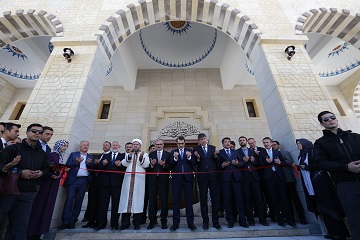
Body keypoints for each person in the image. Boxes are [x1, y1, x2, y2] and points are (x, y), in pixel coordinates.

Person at [314, 110, 360, 239]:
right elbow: (321, 163)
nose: (330, 120)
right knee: (355, 219)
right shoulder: (321, 143)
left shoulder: (355, 137)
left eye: (332, 118)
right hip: (346, 184)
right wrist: (346, 167)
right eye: (326, 119)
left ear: (336, 119)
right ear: (322, 124)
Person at [0, 123, 50, 240]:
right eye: (34, 131)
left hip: (28, 193)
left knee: (20, 226)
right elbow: (2, 166)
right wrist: (19, 171)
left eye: (40, 132)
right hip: (8, 191)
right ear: (27, 132)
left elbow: (47, 170)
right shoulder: (13, 148)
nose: (37, 133)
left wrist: (41, 173)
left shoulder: (42, 154)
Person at [297, 138, 349, 239]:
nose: (298, 145)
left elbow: (320, 164)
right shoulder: (302, 154)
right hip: (311, 185)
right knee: (322, 209)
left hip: (320, 183)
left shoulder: (312, 151)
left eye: (299, 143)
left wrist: (307, 167)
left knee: (330, 206)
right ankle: (332, 231)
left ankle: (341, 233)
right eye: (297, 144)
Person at [27, 140, 69, 240]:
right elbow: (47, 168)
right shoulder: (52, 155)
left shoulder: (59, 156)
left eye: (66, 146)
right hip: (46, 184)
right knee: (40, 206)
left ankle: (39, 231)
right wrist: (52, 174)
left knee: (47, 207)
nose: (65, 148)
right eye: (64, 146)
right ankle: (31, 232)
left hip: (53, 185)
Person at [58, 141, 94, 230]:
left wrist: (90, 164)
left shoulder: (90, 157)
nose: (86, 146)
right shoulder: (74, 154)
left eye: (87, 145)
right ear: (80, 146)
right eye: (84, 145)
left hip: (84, 181)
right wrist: (76, 162)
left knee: (79, 201)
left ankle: (73, 221)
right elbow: (68, 165)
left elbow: (92, 168)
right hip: (73, 180)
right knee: (69, 200)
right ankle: (65, 221)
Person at [259, 137, 295, 227]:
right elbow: (259, 164)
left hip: (279, 177)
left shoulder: (277, 152)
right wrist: (266, 162)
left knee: (284, 198)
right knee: (273, 199)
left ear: (271, 143)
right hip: (269, 178)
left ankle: (289, 219)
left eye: (267, 142)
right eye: (264, 143)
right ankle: (279, 219)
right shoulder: (262, 153)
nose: (265, 144)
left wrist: (280, 162)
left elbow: (284, 162)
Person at [272, 140, 307, 225]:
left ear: (279, 145)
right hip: (280, 180)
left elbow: (290, 162)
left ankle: (301, 217)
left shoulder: (284, 152)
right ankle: (290, 217)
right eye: (272, 145)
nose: (273, 146)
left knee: (294, 198)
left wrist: (280, 162)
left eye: (275, 145)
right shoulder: (271, 154)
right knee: (285, 200)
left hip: (288, 178)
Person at [118, 139, 149, 230]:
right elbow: (124, 164)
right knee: (125, 202)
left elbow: (146, 165)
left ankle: (136, 223)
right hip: (128, 181)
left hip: (139, 183)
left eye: (137, 144)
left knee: (137, 202)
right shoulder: (128, 154)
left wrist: (141, 158)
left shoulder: (145, 154)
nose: (135, 146)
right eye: (134, 144)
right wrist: (130, 155)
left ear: (140, 146)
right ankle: (125, 224)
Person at [237, 136, 268, 226]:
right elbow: (238, 164)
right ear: (239, 142)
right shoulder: (237, 152)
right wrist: (243, 162)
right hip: (244, 178)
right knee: (247, 199)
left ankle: (262, 219)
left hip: (255, 177)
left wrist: (254, 161)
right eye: (240, 140)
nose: (242, 141)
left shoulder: (253, 151)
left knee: (259, 198)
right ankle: (250, 220)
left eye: (243, 140)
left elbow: (258, 163)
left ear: (246, 141)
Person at [218, 137, 248, 228]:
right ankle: (230, 221)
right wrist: (222, 165)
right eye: (225, 142)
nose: (227, 143)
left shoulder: (235, 152)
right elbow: (217, 164)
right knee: (227, 201)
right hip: (226, 180)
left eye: (229, 142)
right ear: (222, 144)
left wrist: (237, 164)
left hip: (236, 179)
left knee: (239, 200)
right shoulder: (220, 152)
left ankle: (242, 220)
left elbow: (242, 162)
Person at [193, 133, 221, 230]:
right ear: (199, 141)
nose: (203, 140)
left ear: (207, 139)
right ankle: (205, 222)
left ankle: (216, 222)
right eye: (201, 139)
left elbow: (218, 162)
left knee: (214, 199)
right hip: (202, 177)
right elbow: (194, 163)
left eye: (204, 138)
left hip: (213, 177)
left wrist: (216, 156)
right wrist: (197, 158)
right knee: (203, 200)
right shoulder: (196, 149)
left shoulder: (213, 148)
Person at [96, 141, 126, 231]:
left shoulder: (123, 156)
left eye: (116, 145)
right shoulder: (105, 155)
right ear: (111, 147)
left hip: (117, 184)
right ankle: (101, 223)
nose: (115, 146)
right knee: (102, 204)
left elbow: (126, 169)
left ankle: (114, 224)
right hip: (105, 184)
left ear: (119, 146)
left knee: (115, 205)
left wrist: (121, 166)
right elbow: (98, 169)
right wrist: (102, 164)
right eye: (113, 145)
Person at [168, 136, 196, 231]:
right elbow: (170, 165)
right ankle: (175, 224)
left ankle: (190, 223)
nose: (180, 145)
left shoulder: (189, 151)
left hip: (188, 179)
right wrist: (175, 158)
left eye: (182, 143)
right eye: (179, 143)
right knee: (176, 201)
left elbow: (194, 163)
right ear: (176, 144)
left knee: (189, 201)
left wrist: (189, 157)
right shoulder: (173, 152)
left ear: (184, 143)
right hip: (177, 179)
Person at [147, 139, 170, 230]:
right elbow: (147, 167)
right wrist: (151, 165)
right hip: (152, 181)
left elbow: (171, 166)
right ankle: (152, 221)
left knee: (164, 201)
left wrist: (164, 165)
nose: (159, 146)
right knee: (152, 201)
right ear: (155, 145)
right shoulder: (151, 154)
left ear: (163, 145)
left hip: (163, 181)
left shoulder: (168, 154)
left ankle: (163, 221)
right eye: (157, 144)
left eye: (160, 144)